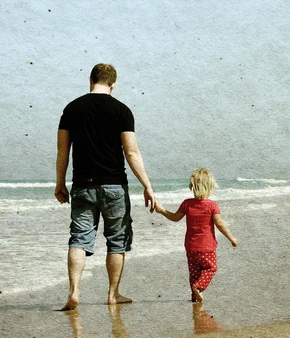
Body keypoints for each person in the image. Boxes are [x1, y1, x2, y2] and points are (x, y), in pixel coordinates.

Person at [55, 63, 156, 310]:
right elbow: (131, 152)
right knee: (117, 241)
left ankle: (75, 291)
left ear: (90, 79)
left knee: (79, 239)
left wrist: (60, 183)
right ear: (113, 84)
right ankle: (113, 294)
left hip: (81, 185)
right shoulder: (122, 111)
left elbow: (62, 152)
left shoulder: (71, 108)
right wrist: (147, 185)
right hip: (114, 186)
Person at [155, 168, 237, 303]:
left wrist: (162, 210)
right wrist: (231, 237)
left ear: (192, 186)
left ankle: (195, 299)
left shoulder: (187, 204)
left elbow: (175, 217)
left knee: (194, 273)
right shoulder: (212, 205)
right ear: (210, 186)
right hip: (206, 247)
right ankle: (198, 287)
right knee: (211, 268)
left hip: (190, 247)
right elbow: (220, 223)